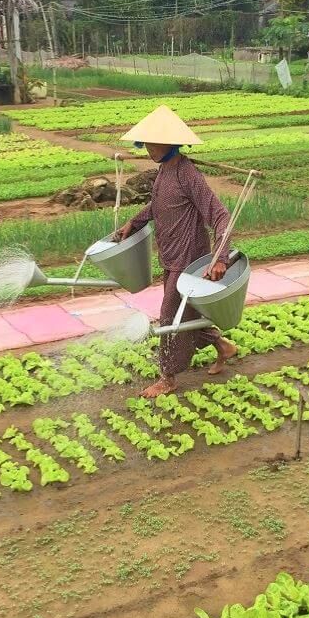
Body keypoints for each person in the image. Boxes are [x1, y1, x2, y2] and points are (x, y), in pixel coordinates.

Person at [113, 105, 239, 398]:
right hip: (170, 255)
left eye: (152, 144)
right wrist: (135, 220)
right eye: (145, 144)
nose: (147, 149)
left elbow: (221, 216)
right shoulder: (164, 172)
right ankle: (223, 346)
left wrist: (220, 257)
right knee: (188, 312)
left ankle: (168, 378)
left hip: (189, 260)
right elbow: (160, 205)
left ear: (169, 143)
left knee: (169, 316)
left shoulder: (187, 173)